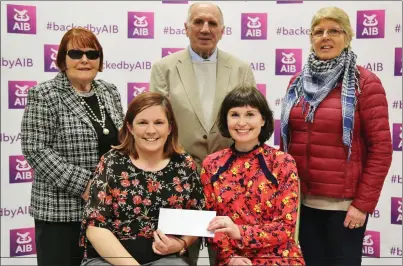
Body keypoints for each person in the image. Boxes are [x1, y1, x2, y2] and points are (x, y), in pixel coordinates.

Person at [280, 7, 393, 266]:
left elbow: (381, 150)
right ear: (311, 38)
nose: (325, 37)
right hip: (302, 204)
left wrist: (362, 205)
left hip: (344, 209)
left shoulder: (365, 83)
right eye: (318, 32)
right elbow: (286, 142)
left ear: (348, 36)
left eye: (334, 30)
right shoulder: (297, 82)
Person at [149, 3, 256, 264]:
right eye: (198, 22)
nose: (205, 29)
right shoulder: (164, 68)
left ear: (222, 30)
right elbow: (157, 124)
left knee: (231, 256)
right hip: (180, 176)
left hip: (233, 178)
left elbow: (250, 123)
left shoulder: (241, 69)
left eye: (212, 23)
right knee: (181, 255)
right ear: (186, 28)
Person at [20, 28, 124, 266]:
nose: (85, 59)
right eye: (76, 53)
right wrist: (86, 185)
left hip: (106, 211)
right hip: (60, 211)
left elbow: (123, 140)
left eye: (92, 53)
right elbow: (36, 149)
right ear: (62, 60)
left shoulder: (109, 92)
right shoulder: (44, 94)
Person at [80, 92, 205, 266]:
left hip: (165, 260)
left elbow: (197, 216)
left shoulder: (184, 164)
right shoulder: (111, 162)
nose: (151, 130)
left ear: (170, 128)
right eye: (142, 123)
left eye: (159, 123)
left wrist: (181, 243)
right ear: (130, 127)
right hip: (109, 260)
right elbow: (95, 228)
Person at [201, 86, 305, 266]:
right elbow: (209, 221)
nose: (242, 122)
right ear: (226, 120)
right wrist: (229, 257)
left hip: (279, 257)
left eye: (250, 114)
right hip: (231, 258)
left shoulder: (282, 162)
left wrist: (240, 232)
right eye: (234, 114)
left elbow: (285, 227)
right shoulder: (212, 164)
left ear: (263, 120)